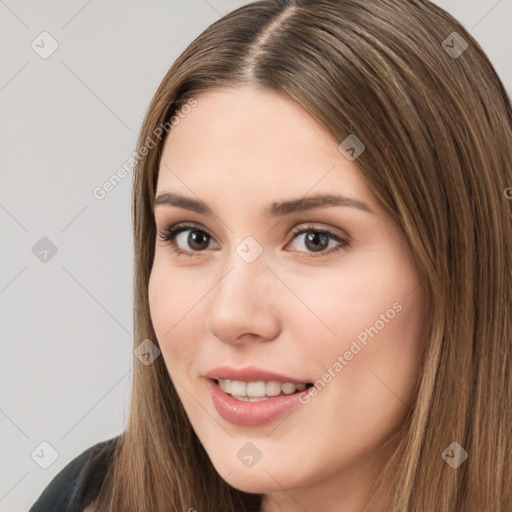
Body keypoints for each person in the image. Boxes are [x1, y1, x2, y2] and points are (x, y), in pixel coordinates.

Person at [29, 0, 512, 511]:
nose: (230, 315)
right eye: (194, 237)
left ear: (463, 263)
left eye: (315, 239)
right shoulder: (92, 498)